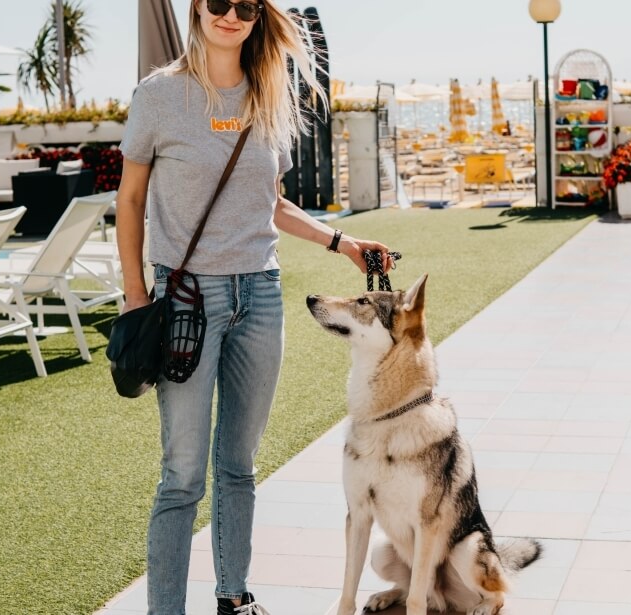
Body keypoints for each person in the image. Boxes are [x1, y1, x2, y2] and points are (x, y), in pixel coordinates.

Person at [116, 1, 391, 613]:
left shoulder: (270, 94)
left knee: (238, 466)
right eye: (218, 1)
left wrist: (343, 243)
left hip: (259, 298)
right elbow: (130, 200)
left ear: (258, 16)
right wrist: (137, 297)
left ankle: (233, 598)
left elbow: (271, 203)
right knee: (182, 474)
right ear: (196, 8)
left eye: (245, 5)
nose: (230, 14)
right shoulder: (159, 95)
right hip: (186, 299)